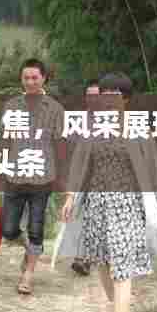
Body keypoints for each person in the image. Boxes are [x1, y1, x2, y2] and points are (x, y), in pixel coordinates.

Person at [60, 72, 157, 312]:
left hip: (128, 205)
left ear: (126, 99)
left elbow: (153, 167)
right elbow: (80, 164)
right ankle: (116, 305)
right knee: (102, 261)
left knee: (122, 264)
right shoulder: (93, 130)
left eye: (114, 95)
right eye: (104, 95)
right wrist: (71, 196)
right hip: (97, 204)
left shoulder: (138, 130)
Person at [0, 58, 65, 295]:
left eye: (35, 77)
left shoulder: (55, 109)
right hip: (14, 176)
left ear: (44, 78)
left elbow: (60, 145)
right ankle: (30, 248)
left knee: (36, 227)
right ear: (21, 80)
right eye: (26, 78)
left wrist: (62, 176)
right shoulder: (11, 106)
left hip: (43, 178)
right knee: (8, 228)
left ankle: (29, 274)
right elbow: (4, 140)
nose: (30, 82)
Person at [70, 79, 100, 277]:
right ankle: (83, 257)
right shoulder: (78, 121)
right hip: (82, 176)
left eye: (96, 95)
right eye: (89, 96)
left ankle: (85, 258)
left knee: (94, 217)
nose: (93, 99)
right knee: (81, 216)